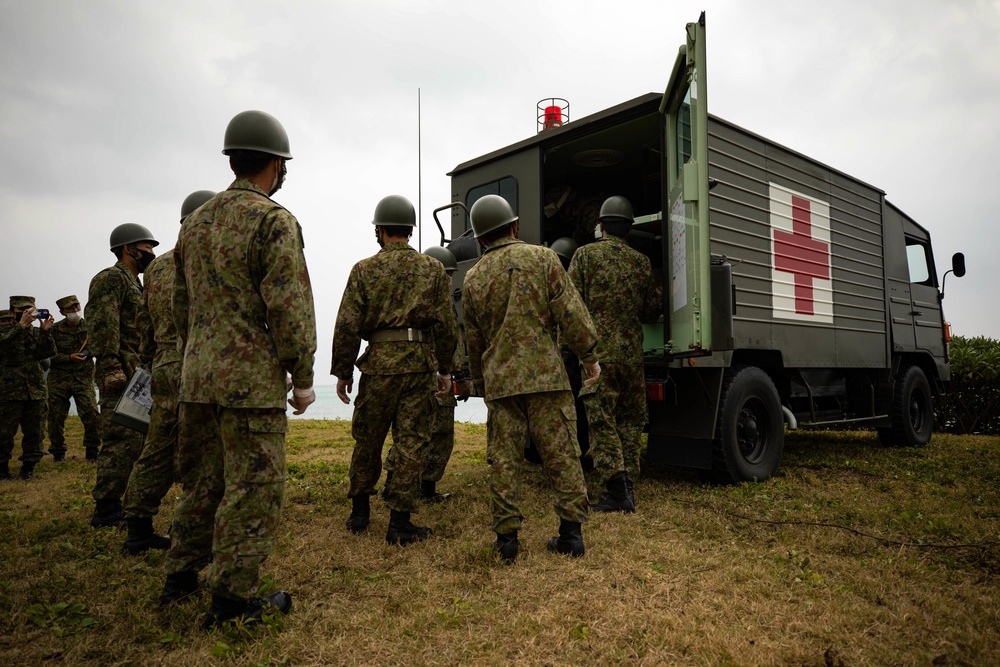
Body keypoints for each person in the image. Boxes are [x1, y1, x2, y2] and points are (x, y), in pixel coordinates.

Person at [164, 111, 316, 628]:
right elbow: (288, 306)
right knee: (252, 488)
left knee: (202, 482)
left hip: (197, 376)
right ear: (276, 162)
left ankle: (179, 578)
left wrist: (195, 358)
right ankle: (231, 601)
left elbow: (179, 306)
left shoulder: (196, 223)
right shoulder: (273, 220)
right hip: (249, 382)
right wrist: (302, 376)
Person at [462, 195, 600, 562]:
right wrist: (589, 357)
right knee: (562, 455)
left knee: (504, 460)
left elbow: (473, 340)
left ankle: (507, 540)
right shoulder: (543, 259)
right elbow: (571, 312)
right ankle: (571, 535)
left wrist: (480, 381)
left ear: (480, 238)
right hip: (546, 378)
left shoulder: (474, 278)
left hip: (501, 382)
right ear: (514, 226)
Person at [331, 195, 457, 546]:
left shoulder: (363, 270)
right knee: (411, 442)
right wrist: (445, 369)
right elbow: (446, 325)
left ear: (380, 230)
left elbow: (347, 324)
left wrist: (343, 371)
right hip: (418, 366)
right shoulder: (432, 269)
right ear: (410, 229)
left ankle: (359, 514)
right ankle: (399, 523)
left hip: (379, 365)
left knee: (368, 439)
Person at [121, 190, 216, 556]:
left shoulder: (157, 267)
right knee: (206, 449)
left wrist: (150, 362)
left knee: (157, 446)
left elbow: (144, 324)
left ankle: (138, 528)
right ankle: (192, 527)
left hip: (163, 364)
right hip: (197, 362)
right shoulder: (203, 257)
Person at [568, 195, 661, 512]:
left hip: (597, 355)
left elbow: (570, 307)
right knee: (631, 420)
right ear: (630, 230)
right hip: (632, 354)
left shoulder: (584, 257)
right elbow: (651, 309)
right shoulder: (642, 262)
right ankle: (628, 486)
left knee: (602, 419)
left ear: (601, 226)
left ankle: (617, 493)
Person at [383, 245, 471, 503]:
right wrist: (458, 375)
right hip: (432, 376)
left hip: (416, 373)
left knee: (412, 432)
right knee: (436, 434)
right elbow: (450, 340)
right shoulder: (436, 300)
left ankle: (398, 483)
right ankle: (420, 488)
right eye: (447, 274)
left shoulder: (412, 296)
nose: (449, 280)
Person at [86, 223, 158, 528]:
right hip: (121, 372)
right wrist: (110, 367)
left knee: (136, 441)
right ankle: (106, 510)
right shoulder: (110, 278)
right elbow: (103, 324)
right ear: (129, 249)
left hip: (136, 372)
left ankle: (121, 503)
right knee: (120, 440)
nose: (151, 253)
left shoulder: (135, 283)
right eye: (147, 247)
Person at [0, 298, 56, 481]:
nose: (26, 312)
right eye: (21, 309)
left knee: (35, 432)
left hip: (36, 389)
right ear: (11, 313)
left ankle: (28, 466)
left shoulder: (36, 333)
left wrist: (46, 332)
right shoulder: (4, 331)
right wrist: (20, 327)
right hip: (9, 390)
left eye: (29, 309)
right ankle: (2, 468)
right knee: (4, 432)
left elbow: (47, 354)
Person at [46, 295, 101, 462]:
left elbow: (100, 346)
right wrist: (68, 357)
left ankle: (92, 449)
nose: (75, 311)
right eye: (70, 309)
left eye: (77, 307)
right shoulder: (54, 330)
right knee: (55, 417)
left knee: (91, 414)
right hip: (59, 380)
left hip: (83, 379)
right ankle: (58, 451)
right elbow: (47, 355)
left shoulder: (91, 327)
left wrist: (89, 353)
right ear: (63, 312)